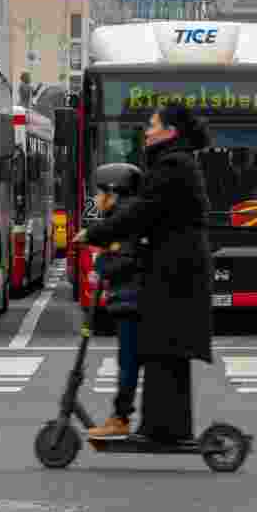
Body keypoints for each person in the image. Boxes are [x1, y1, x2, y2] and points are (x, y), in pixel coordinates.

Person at [72, 103, 213, 444]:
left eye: (152, 125)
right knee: (165, 351)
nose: (147, 132)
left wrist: (95, 234)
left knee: (164, 347)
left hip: (174, 274)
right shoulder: (176, 163)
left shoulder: (173, 165)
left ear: (170, 131)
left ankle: (160, 427)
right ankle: (165, 427)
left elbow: (141, 212)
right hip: (177, 271)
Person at [86, 163, 146, 438]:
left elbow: (126, 259)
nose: (95, 199)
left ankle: (120, 417)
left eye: (98, 193)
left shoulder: (126, 218)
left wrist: (101, 266)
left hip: (132, 300)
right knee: (129, 360)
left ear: (113, 191)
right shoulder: (123, 215)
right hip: (129, 299)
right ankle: (122, 415)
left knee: (129, 361)